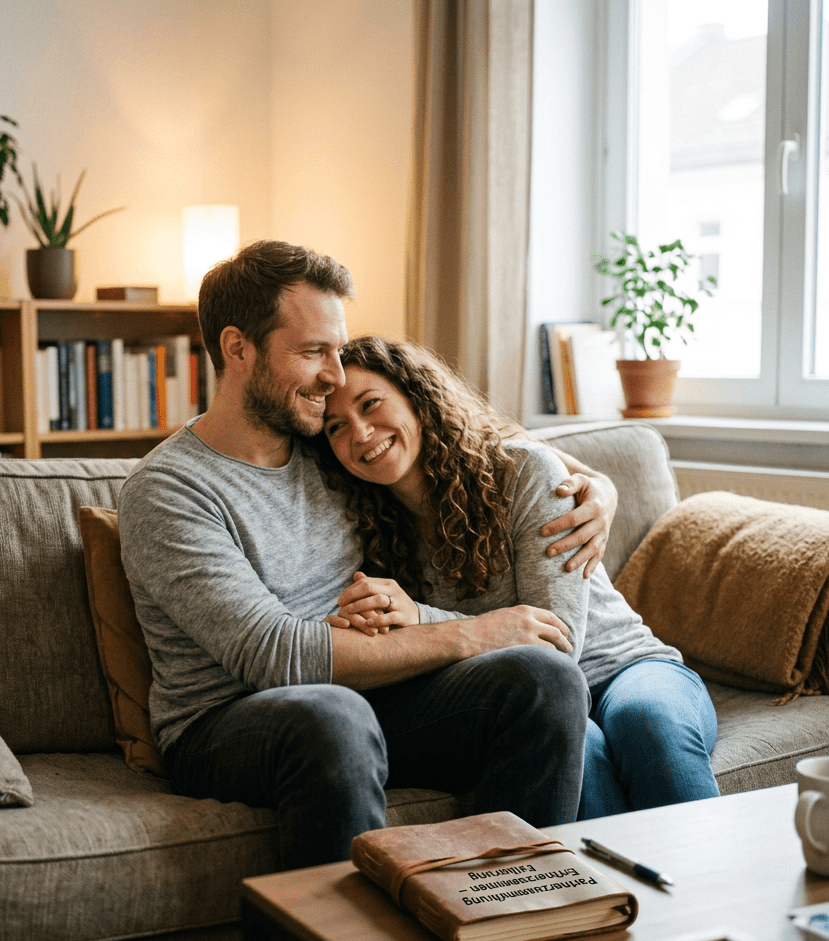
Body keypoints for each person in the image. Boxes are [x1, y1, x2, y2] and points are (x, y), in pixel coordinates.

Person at [117, 240, 620, 881]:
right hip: (227, 721)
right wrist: (473, 634)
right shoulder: (169, 490)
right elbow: (277, 657)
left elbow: (474, 443)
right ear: (237, 348)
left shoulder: (324, 449)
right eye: (311, 352)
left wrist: (599, 486)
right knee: (333, 713)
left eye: (336, 348)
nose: (335, 375)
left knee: (543, 680)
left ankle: (500, 917)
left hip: (363, 692)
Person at [314, 334, 720, 819]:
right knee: (578, 746)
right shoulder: (360, 525)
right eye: (336, 426)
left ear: (415, 396)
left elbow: (558, 643)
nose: (360, 434)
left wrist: (419, 616)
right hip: (528, 705)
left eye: (371, 403)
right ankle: (607, 894)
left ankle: (715, 889)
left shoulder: (522, 472)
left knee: (647, 722)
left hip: (625, 669)